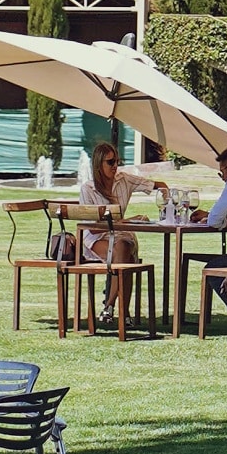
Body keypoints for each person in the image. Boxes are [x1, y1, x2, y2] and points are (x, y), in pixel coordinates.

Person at [79, 140, 171, 328]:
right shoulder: (88, 188)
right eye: (110, 162)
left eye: (117, 161)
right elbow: (93, 228)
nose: (115, 166)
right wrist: (127, 221)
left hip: (121, 235)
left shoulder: (124, 180)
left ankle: (110, 305)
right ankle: (123, 312)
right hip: (97, 237)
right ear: (98, 165)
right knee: (125, 256)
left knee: (123, 247)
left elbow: (159, 185)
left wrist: (167, 201)